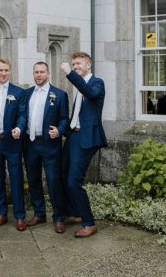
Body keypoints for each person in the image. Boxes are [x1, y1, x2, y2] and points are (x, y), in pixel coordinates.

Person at [61, 52, 107, 238]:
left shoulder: (97, 83)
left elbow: (89, 93)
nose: (75, 66)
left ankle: (89, 223)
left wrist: (69, 74)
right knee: (63, 175)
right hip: (74, 136)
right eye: (73, 64)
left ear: (88, 65)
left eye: (78, 64)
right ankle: (74, 214)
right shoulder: (78, 84)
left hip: (87, 139)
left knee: (74, 181)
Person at [24, 61, 69, 234]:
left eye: (42, 72)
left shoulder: (59, 95)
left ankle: (59, 217)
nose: (39, 75)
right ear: (33, 74)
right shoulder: (27, 94)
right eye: (36, 72)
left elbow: (65, 119)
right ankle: (39, 214)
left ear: (48, 74)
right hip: (31, 143)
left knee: (53, 181)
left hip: (50, 144)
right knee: (33, 180)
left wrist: (59, 130)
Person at [0, 58, 28, 231]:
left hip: (12, 142)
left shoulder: (18, 92)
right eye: (0, 70)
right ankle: (1, 213)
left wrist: (19, 127)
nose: (3, 73)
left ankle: (19, 216)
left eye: (6, 70)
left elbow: (23, 114)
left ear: (10, 71)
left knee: (16, 178)